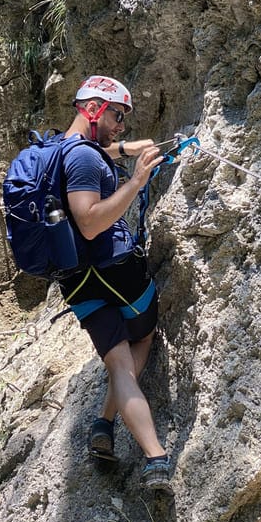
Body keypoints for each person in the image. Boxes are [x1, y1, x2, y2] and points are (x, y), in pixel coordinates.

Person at [57, 75, 172, 493]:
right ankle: (124, 434)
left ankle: (137, 448)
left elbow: (88, 156)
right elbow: (89, 222)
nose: (121, 126)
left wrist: (125, 149)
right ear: (93, 109)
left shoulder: (57, 150)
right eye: (117, 116)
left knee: (117, 363)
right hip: (114, 270)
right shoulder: (84, 161)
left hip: (75, 280)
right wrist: (136, 180)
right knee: (142, 337)